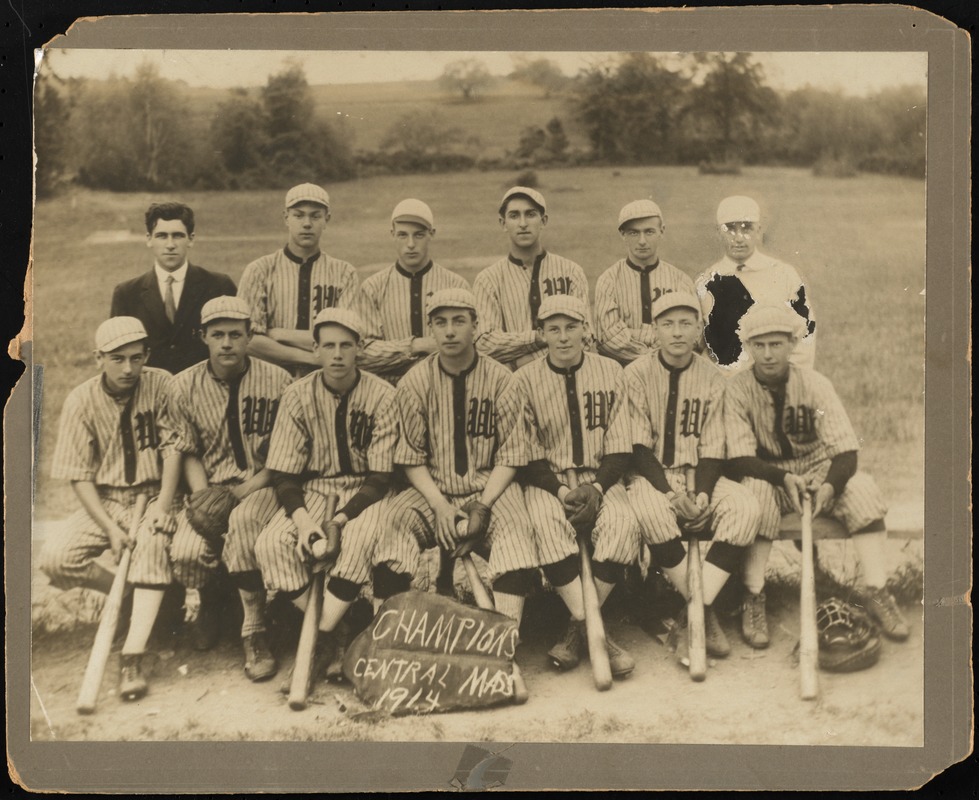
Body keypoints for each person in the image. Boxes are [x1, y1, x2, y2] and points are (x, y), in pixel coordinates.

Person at [118, 296, 293, 699]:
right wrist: (203, 499)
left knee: (244, 531)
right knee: (186, 551)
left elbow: (286, 453)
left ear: (250, 336)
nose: (227, 343)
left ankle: (254, 630)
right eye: (217, 335)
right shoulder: (183, 385)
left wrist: (245, 491)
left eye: (235, 334)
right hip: (210, 487)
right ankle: (213, 602)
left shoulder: (279, 380)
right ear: (202, 337)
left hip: (262, 484)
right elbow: (186, 448)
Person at [724, 304, 909, 646]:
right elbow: (739, 459)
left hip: (816, 470)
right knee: (754, 496)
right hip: (768, 476)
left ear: (792, 344)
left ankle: (877, 590)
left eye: (776, 344)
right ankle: (753, 594)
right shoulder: (737, 389)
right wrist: (781, 479)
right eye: (759, 345)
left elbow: (846, 451)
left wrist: (830, 486)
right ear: (747, 347)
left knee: (863, 491)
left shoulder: (815, 384)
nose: (768, 354)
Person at [371, 288, 540, 632]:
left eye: (459, 321)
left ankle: (504, 640)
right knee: (393, 528)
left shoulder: (501, 379)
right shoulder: (414, 381)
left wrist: (484, 506)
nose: (449, 331)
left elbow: (511, 455)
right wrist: (439, 506)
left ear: (475, 325)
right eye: (440, 322)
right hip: (432, 489)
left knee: (516, 536)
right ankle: (387, 637)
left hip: (489, 486)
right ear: (431, 328)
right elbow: (410, 457)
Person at [254, 307, 398, 689]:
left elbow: (381, 477)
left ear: (359, 348)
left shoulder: (384, 395)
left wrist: (340, 519)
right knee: (270, 543)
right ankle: (337, 626)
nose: (337, 354)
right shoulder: (296, 395)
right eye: (329, 346)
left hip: (365, 493)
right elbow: (285, 474)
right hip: (314, 488)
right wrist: (303, 522)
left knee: (359, 539)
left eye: (346, 345)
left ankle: (321, 635)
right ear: (315, 349)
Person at [623, 292, 760, 665]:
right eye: (668, 324)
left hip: (699, 475)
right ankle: (704, 611)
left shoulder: (713, 377)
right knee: (651, 513)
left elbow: (714, 447)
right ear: (655, 329)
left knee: (746, 508)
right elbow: (638, 448)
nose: (677, 332)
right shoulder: (635, 373)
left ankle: (691, 612)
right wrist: (670, 495)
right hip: (652, 478)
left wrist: (702, 495)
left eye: (686, 323)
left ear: (700, 329)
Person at [511, 294, 639, 679]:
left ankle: (575, 628)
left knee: (623, 526)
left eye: (571, 327)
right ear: (542, 334)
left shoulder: (611, 371)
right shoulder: (523, 380)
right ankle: (592, 627)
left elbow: (621, 445)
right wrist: (561, 492)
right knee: (545, 526)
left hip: (601, 477)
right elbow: (526, 455)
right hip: (548, 481)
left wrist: (597, 487)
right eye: (554, 329)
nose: (564, 337)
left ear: (586, 329)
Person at [39, 317, 170, 621]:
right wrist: (110, 528)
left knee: (152, 551)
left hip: (155, 497)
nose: (128, 368)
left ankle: (157, 619)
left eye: (136, 358)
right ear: (99, 358)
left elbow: (176, 448)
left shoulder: (162, 383)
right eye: (117, 359)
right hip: (108, 500)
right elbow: (79, 475)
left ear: (147, 356)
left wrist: (163, 504)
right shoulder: (80, 400)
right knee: (56, 558)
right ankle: (125, 596)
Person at [238, 183, 359, 374]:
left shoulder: (344, 273)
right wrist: (313, 358)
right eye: (299, 215)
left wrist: (280, 334)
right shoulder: (259, 270)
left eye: (315, 216)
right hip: (269, 377)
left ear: (326, 219)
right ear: (286, 218)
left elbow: (345, 339)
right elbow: (248, 341)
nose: (307, 223)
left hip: (326, 380)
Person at [473, 186, 592, 370]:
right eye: (514, 216)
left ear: (543, 221)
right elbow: (485, 344)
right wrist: (537, 338)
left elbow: (585, 337)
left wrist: (524, 360)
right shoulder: (488, 280)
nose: (523, 223)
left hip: (565, 377)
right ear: (503, 223)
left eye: (530, 214)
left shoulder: (571, 272)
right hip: (512, 382)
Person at [111, 202, 237, 375]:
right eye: (162, 236)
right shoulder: (127, 293)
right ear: (149, 239)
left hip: (206, 386)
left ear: (191, 239)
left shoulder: (219, 286)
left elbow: (237, 344)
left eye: (177, 236)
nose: (170, 245)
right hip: (149, 388)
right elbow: (118, 354)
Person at [695, 195, 816, 371]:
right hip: (722, 382)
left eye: (747, 228)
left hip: (775, 380)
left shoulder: (784, 274)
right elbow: (698, 344)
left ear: (758, 230)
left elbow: (805, 333)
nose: (739, 238)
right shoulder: (705, 281)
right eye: (730, 229)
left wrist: (788, 379)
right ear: (718, 232)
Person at [356, 199, 470, 383]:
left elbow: (469, 348)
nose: (410, 244)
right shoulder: (372, 288)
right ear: (392, 234)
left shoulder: (456, 285)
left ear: (431, 234)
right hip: (390, 390)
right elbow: (362, 355)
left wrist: (391, 356)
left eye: (419, 235)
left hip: (445, 386)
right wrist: (416, 346)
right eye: (402, 235)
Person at [594, 199, 696, 365]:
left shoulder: (680, 280)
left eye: (649, 232)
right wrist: (652, 356)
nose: (642, 241)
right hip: (622, 369)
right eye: (634, 233)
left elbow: (692, 332)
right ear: (623, 234)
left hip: (671, 367)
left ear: (661, 231)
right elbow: (608, 338)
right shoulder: (609, 280)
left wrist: (634, 334)